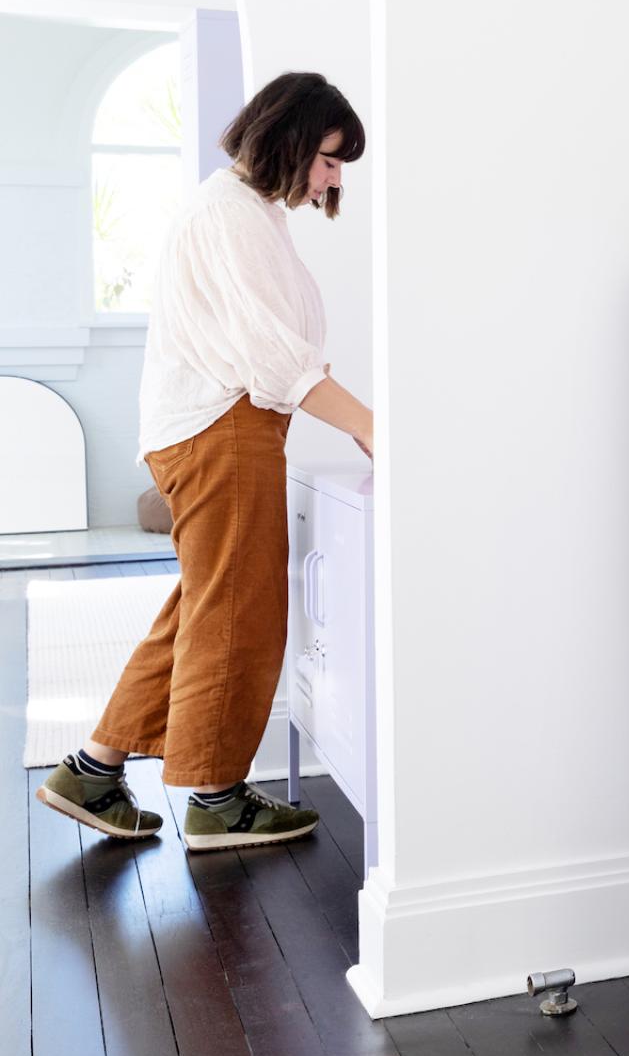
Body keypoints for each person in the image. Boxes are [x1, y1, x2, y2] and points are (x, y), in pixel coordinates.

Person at [34, 72, 374, 852]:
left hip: (216, 427)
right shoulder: (230, 215)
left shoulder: (244, 213)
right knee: (238, 610)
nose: (333, 180)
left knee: (205, 603)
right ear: (290, 139)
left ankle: (92, 771)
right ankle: (216, 800)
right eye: (329, 159)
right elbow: (274, 356)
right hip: (222, 428)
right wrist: (368, 425)